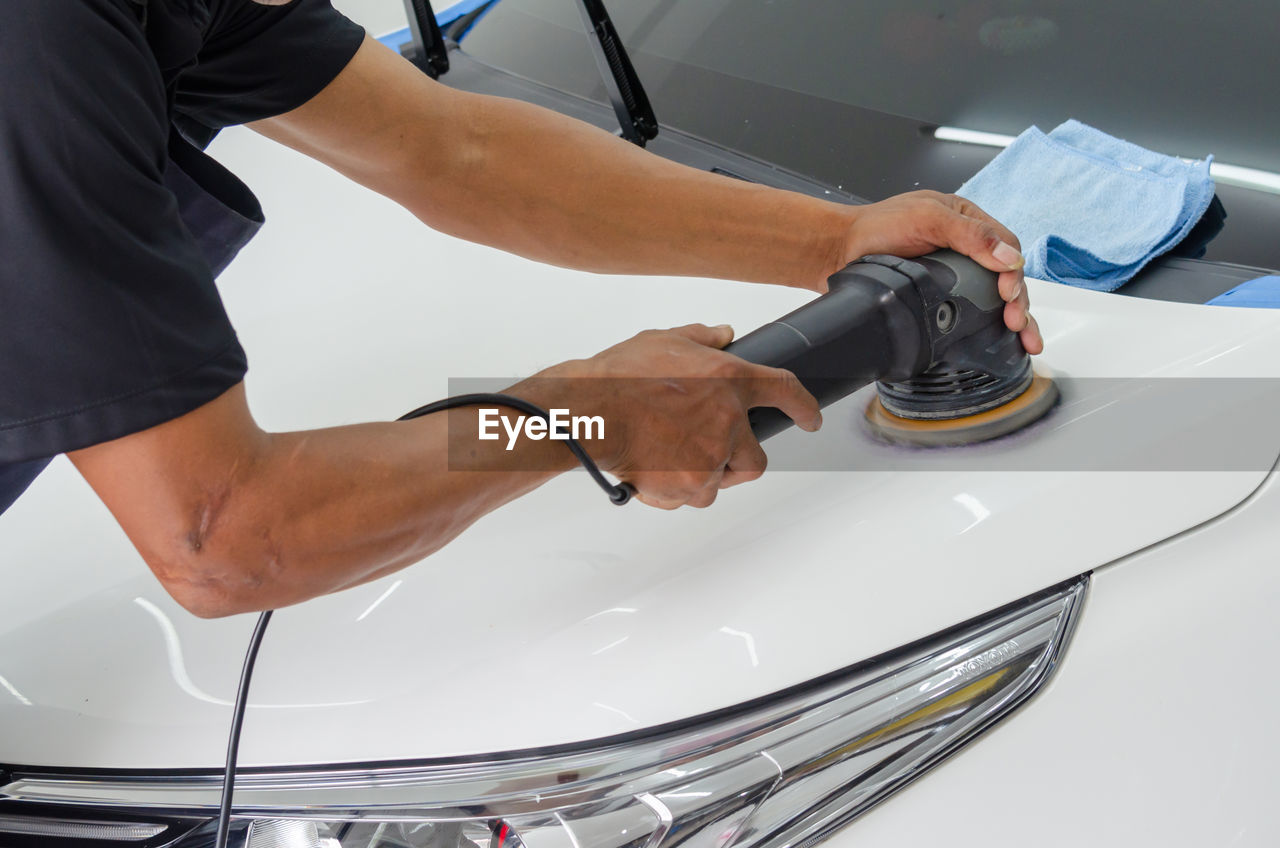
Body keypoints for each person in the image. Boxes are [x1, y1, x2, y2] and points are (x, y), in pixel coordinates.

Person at [0, 0, 1041, 617]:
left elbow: (456, 154)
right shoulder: (38, 44)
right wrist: (583, 415)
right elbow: (223, 540)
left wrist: (831, 239)